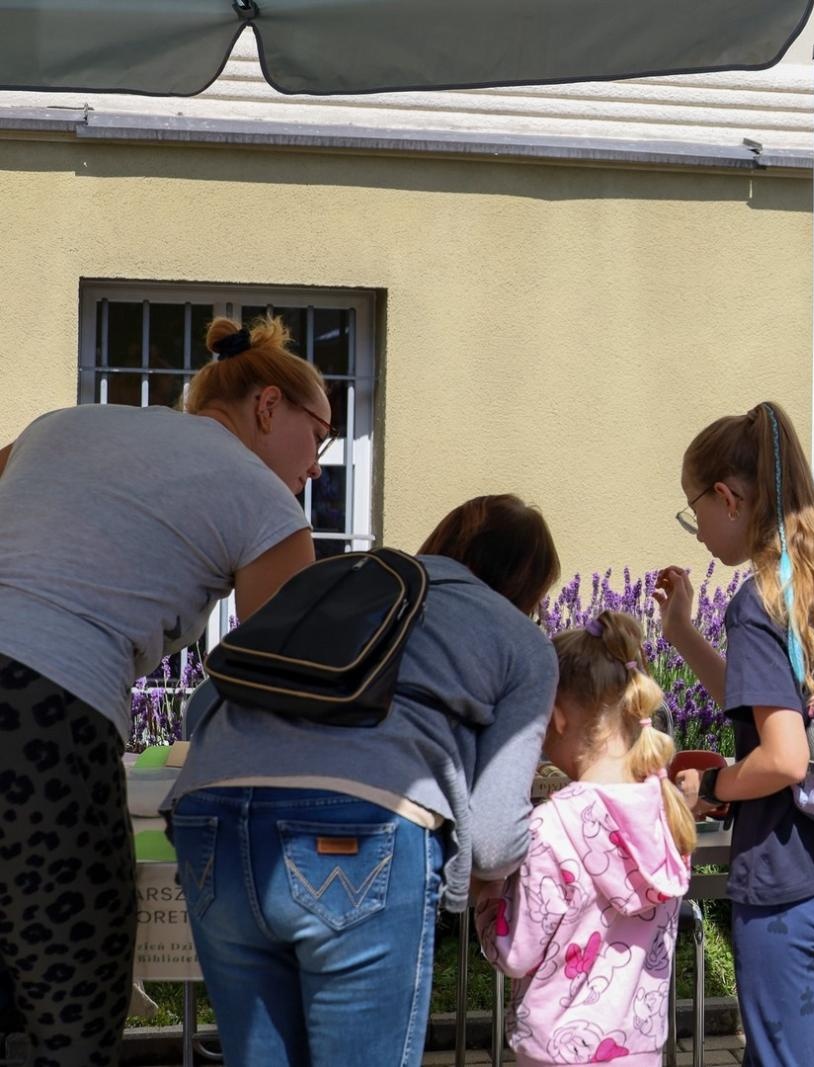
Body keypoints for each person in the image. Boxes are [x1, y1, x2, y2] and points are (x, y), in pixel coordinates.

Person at [0, 315, 321, 1066]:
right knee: (75, 985)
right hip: (45, 710)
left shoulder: (61, 424)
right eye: (319, 434)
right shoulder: (268, 506)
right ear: (269, 406)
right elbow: (282, 677)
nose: (316, 466)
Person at [166, 494, 560, 1067]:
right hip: (361, 826)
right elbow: (497, 843)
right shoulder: (519, 641)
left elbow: (200, 707)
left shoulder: (335, 585)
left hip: (209, 817)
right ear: (526, 588)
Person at [655, 400, 814, 1066]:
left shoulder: (757, 598)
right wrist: (683, 633)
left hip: (789, 884)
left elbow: (784, 756)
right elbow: (766, 708)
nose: (699, 532)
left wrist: (710, 782)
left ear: (728, 498)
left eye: (696, 512)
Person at [475, 610, 694, 1067]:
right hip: (639, 1049)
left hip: (556, 1052)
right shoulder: (666, 811)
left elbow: (516, 952)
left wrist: (487, 893)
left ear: (554, 718)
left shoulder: (551, 825)